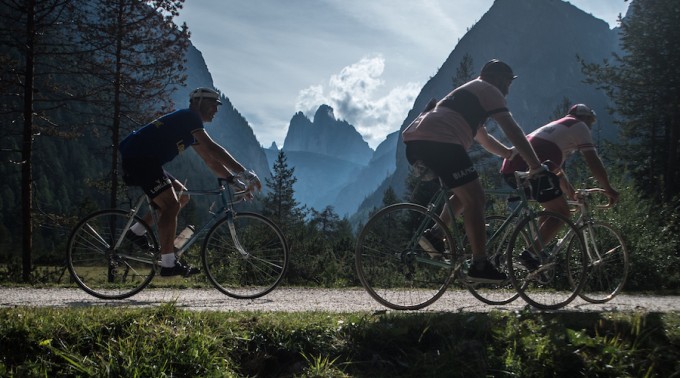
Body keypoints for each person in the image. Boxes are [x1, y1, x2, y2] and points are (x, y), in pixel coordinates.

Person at [402, 59, 546, 283]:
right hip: (440, 142)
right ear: (497, 78)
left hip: (421, 143)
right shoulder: (489, 90)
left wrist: (508, 154)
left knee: (466, 193)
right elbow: (511, 128)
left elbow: (484, 138)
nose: (508, 89)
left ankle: (435, 234)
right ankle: (480, 264)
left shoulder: (471, 95)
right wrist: (535, 165)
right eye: (508, 82)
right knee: (476, 197)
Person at [119, 87, 262, 277]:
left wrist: (234, 181)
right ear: (198, 102)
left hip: (147, 161)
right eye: (213, 104)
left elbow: (210, 160)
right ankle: (168, 264)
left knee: (182, 195)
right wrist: (246, 174)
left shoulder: (189, 129)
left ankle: (137, 231)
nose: (216, 110)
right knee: (170, 205)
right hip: (140, 159)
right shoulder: (189, 117)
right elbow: (212, 148)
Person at [499, 103, 620, 269]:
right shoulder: (579, 126)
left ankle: (537, 252)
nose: (590, 125)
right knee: (562, 213)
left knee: (551, 208)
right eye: (590, 121)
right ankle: (529, 255)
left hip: (512, 167)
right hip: (528, 169)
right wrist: (608, 187)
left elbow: (555, 170)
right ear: (584, 118)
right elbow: (593, 160)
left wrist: (570, 193)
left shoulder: (559, 127)